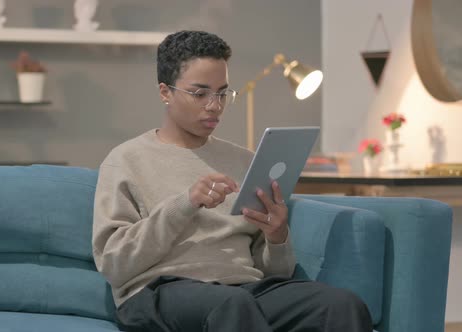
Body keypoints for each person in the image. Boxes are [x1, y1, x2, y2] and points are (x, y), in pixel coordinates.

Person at [92, 30, 372, 332]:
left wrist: (277, 237)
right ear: (165, 92)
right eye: (200, 94)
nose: (215, 105)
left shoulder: (245, 161)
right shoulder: (126, 160)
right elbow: (113, 264)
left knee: (340, 304)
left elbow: (271, 272)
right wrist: (184, 204)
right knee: (231, 305)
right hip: (158, 292)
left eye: (223, 92)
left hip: (241, 290)